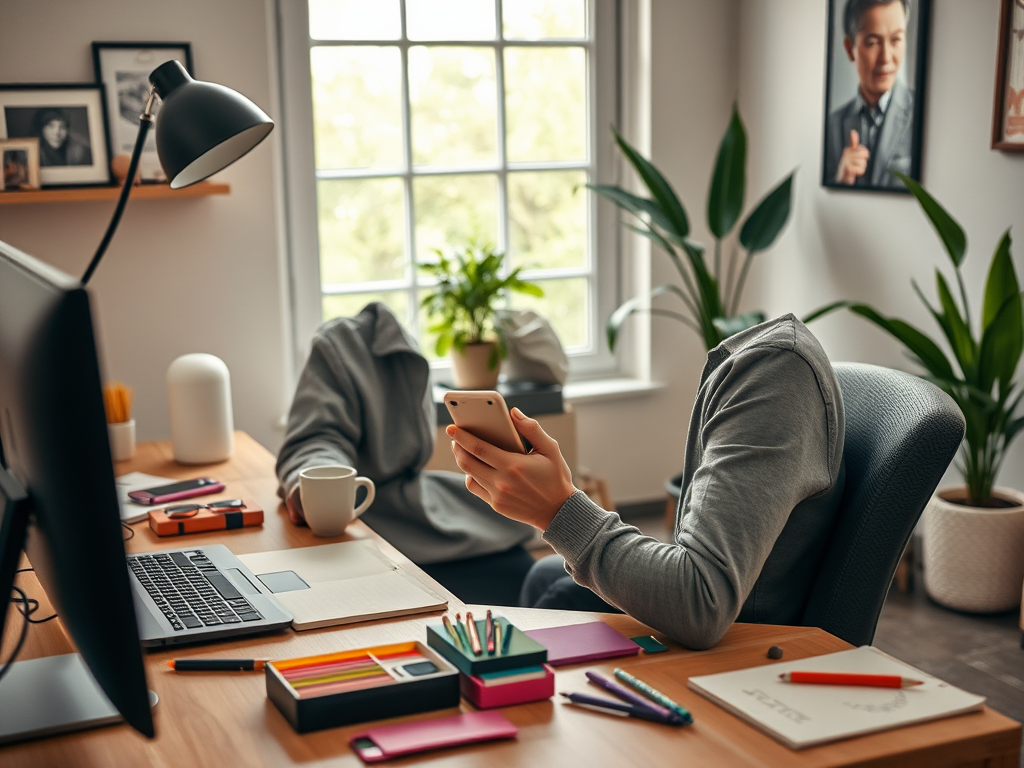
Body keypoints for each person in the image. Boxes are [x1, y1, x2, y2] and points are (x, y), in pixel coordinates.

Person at [447, 314, 846, 650]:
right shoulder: (763, 368)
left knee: (551, 595)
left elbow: (701, 602)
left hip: (742, 648)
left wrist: (558, 510)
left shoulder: (774, 374)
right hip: (717, 614)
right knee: (544, 574)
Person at [276, 302, 537, 606]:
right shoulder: (338, 352)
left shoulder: (392, 356)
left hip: (407, 505)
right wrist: (317, 485)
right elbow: (314, 442)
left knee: (523, 558)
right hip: (369, 524)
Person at [824, 0, 913, 188]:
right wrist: (841, 181)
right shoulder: (832, 125)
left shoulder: (922, 116)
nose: (886, 57)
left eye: (896, 40)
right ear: (850, 48)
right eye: (873, 43)